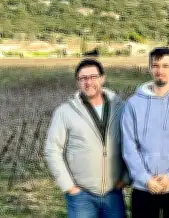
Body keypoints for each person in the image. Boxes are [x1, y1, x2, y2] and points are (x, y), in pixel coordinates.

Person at [44, 58, 128, 217]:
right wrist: (69, 187)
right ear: (78, 82)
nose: (88, 82)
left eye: (93, 77)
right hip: (81, 196)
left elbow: (133, 144)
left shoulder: (122, 109)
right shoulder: (65, 112)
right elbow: (52, 150)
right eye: (83, 78)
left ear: (102, 78)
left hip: (114, 193)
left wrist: (125, 178)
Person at [121, 47, 169, 217]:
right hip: (144, 188)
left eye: (165, 66)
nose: (160, 71)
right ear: (149, 68)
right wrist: (145, 178)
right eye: (155, 66)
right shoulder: (133, 103)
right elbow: (129, 146)